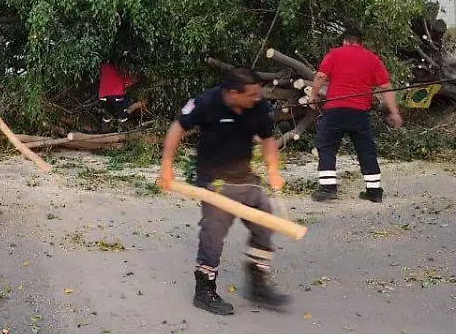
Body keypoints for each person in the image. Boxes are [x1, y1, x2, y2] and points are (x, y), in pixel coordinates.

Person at [157, 67, 291, 316]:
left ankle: (258, 284)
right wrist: (167, 166)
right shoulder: (206, 103)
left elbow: (268, 138)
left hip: (246, 178)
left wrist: (273, 170)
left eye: (257, 94)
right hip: (214, 181)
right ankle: (204, 291)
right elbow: (177, 127)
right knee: (213, 233)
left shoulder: (258, 106)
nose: (256, 98)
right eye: (250, 94)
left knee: (264, 223)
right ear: (232, 93)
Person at [310, 28, 403, 203]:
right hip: (360, 113)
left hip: (336, 110)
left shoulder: (335, 54)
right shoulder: (372, 59)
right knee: (366, 150)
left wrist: (313, 96)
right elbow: (385, 87)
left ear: (345, 41)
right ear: (360, 42)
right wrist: (394, 112)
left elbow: (321, 76)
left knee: (327, 146)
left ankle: (328, 188)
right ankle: (374, 191)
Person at [98, 61, 138, 131]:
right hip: (116, 96)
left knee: (107, 113)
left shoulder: (103, 66)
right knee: (122, 112)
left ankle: (104, 129)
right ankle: (123, 126)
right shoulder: (121, 68)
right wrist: (135, 79)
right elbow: (127, 81)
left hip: (103, 96)